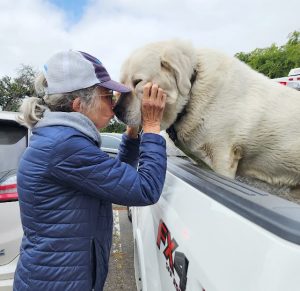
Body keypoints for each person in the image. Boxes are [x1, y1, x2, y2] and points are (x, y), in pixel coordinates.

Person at [13, 50, 167, 291]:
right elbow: (145, 189)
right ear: (78, 105)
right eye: (107, 95)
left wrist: (133, 133)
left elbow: (116, 180)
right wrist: (152, 125)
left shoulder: (60, 139)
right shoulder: (65, 146)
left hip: (58, 277)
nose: (114, 104)